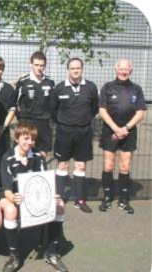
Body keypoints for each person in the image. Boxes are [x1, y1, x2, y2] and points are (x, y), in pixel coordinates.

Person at [0, 121, 68, 272]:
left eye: (32, 139)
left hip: (34, 197)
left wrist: (54, 196)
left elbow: (45, 182)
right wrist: (14, 198)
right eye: (26, 138)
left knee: (59, 205)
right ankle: (15, 256)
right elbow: (6, 190)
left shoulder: (38, 156)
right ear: (17, 138)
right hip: (13, 196)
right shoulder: (8, 158)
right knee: (10, 211)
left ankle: (51, 254)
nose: (30, 142)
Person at [98, 58, 146, 214]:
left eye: (127, 69)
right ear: (116, 69)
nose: (124, 71)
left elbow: (141, 112)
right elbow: (102, 111)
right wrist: (115, 128)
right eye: (121, 68)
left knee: (125, 167)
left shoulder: (137, 89)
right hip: (109, 131)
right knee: (108, 166)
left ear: (130, 71)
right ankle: (107, 198)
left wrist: (125, 128)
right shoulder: (107, 87)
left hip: (129, 132)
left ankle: (124, 200)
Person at [51, 58, 99, 213]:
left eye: (78, 68)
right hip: (64, 132)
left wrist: (83, 120)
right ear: (68, 70)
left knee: (81, 165)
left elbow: (94, 109)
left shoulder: (90, 87)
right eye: (72, 68)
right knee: (62, 165)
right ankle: (59, 199)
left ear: (82, 69)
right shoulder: (59, 88)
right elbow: (52, 110)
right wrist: (64, 123)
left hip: (84, 132)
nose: (75, 70)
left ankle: (79, 200)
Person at [14, 51, 55, 157]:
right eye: (36, 65)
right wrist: (22, 119)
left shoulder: (50, 82)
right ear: (30, 64)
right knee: (24, 154)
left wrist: (47, 116)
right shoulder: (23, 82)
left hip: (43, 123)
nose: (39, 68)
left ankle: (39, 173)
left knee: (41, 156)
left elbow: (52, 104)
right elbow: (15, 103)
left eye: (42, 65)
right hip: (26, 122)